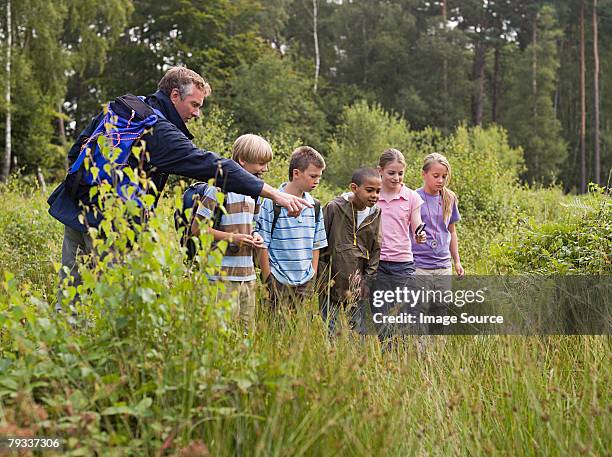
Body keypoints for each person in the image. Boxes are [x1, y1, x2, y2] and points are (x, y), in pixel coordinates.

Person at [49, 66, 308, 310]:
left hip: (77, 208)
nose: (196, 113)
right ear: (174, 95)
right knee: (112, 303)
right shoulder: (159, 131)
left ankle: (57, 351)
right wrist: (274, 193)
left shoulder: (125, 108)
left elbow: (78, 148)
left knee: (71, 296)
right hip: (113, 227)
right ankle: (97, 355)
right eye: (194, 104)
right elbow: (215, 167)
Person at [190, 134, 272, 331]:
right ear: (242, 161)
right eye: (261, 163)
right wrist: (233, 238)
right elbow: (196, 229)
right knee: (221, 334)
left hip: (248, 276)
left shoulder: (256, 194)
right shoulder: (218, 189)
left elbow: (253, 226)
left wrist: (256, 236)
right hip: (221, 278)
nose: (265, 169)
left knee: (246, 334)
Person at [256, 146, 327, 311]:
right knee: (274, 331)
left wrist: (312, 275)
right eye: (313, 176)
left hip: (304, 281)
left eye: (319, 177)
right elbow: (262, 243)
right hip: (278, 279)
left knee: (297, 331)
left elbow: (316, 245)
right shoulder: (271, 202)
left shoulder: (314, 206)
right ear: (296, 173)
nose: (317, 181)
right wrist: (268, 277)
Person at [318, 167, 382, 334]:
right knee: (330, 329)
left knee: (358, 331)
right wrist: (322, 278)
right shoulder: (334, 208)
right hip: (330, 282)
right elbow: (319, 243)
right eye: (369, 190)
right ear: (354, 188)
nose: (374, 195)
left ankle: (356, 360)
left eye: (378, 191)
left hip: (358, 284)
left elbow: (376, 248)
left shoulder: (376, 213)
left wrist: (368, 280)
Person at [372, 148, 426, 337]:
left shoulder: (411, 197)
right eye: (391, 173)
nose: (396, 177)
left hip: (402, 263)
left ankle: (401, 354)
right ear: (380, 171)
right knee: (382, 314)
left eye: (400, 173)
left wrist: (420, 234)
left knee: (406, 312)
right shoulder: (373, 196)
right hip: (377, 263)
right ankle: (386, 355)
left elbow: (417, 223)